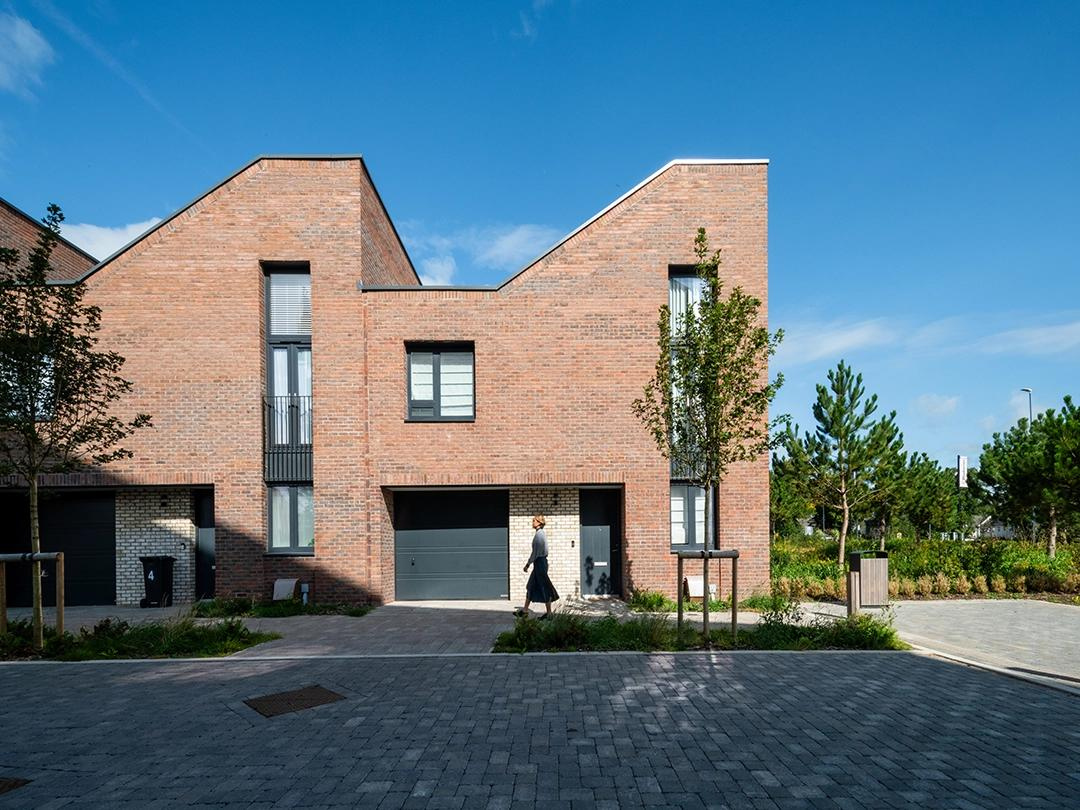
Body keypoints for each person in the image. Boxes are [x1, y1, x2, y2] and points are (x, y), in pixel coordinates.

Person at [515, 514, 559, 618]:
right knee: (531, 585)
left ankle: (549, 613)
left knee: (544, 587)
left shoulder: (539, 535)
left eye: (534, 521)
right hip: (539, 563)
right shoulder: (539, 534)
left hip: (540, 563)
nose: (532, 522)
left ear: (539, 522)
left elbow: (535, 553)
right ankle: (525, 611)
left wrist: (527, 564)